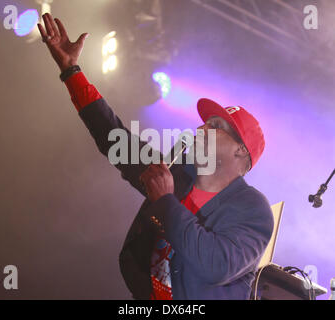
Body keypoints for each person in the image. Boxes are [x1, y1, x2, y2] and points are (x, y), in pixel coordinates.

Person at [38, 13, 274, 300]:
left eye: (216, 126)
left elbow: (216, 264)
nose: (202, 127)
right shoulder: (176, 173)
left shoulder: (254, 209)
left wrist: (165, 201)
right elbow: (113, 138)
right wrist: (71, 71)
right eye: (204, 122)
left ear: (240, 150)